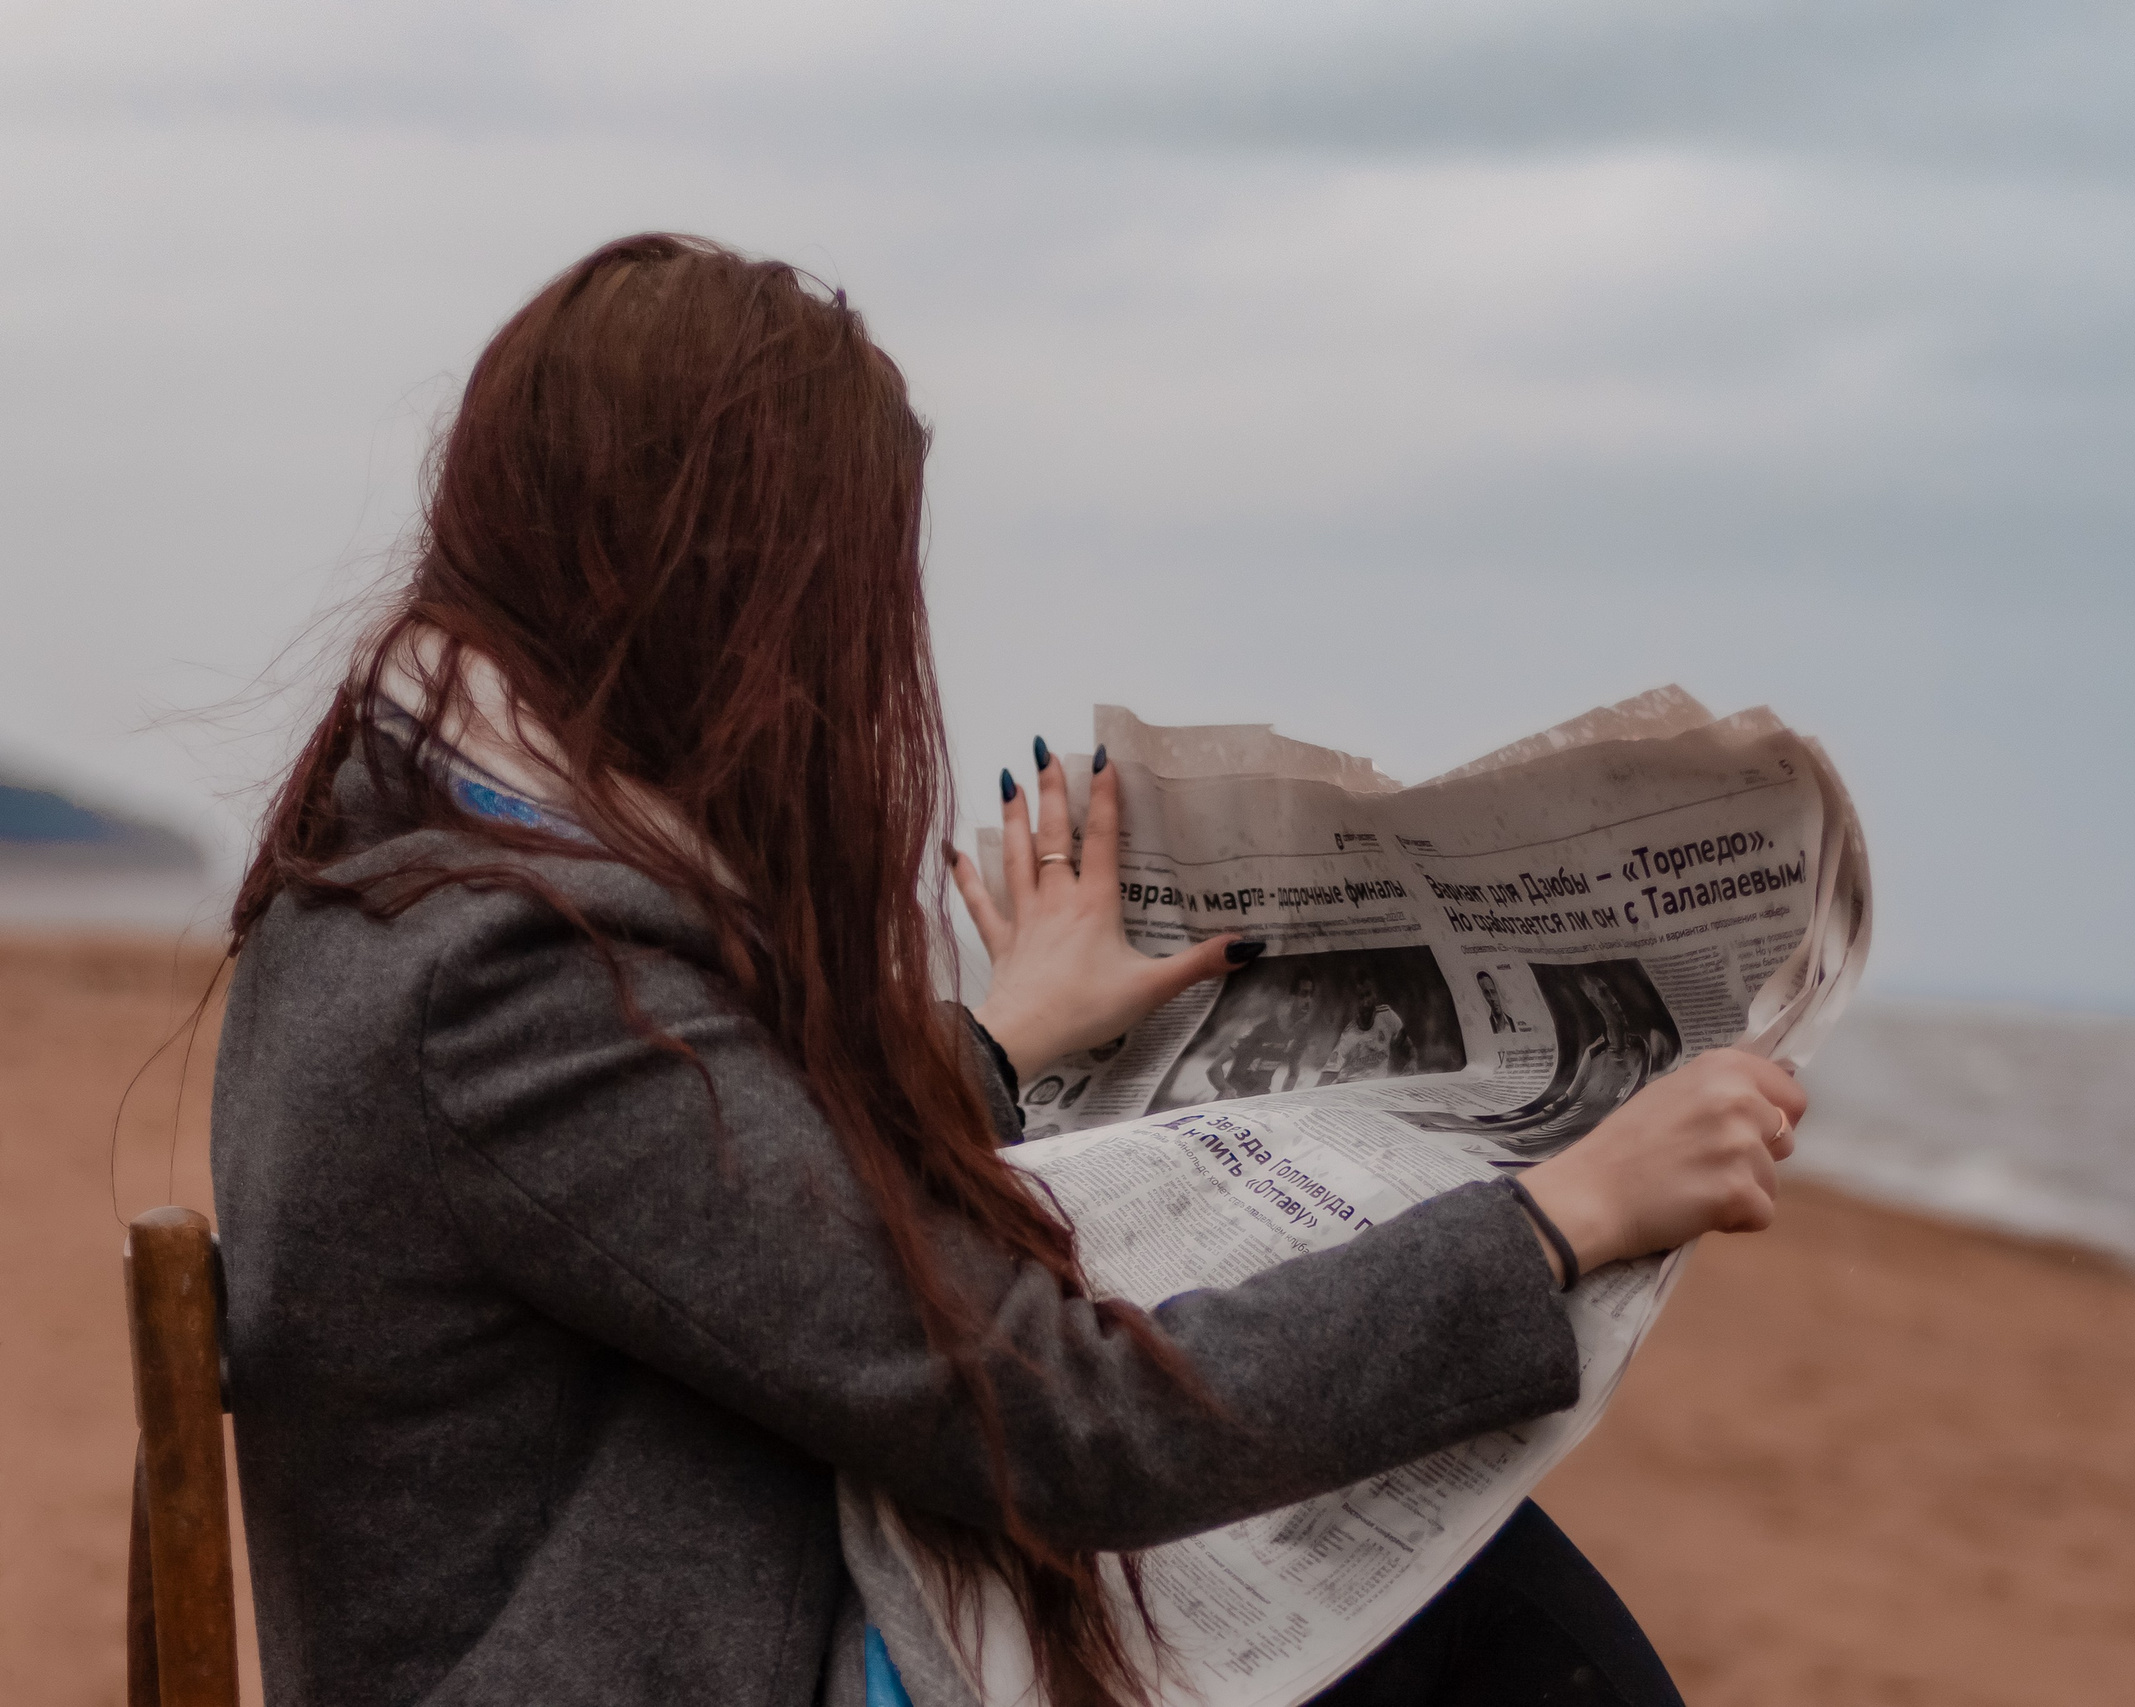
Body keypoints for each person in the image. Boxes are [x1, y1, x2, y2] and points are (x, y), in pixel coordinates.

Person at [212, 233, 1805, 1707]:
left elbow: (700, 1217)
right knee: (1472, 1623)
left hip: (695, 1604)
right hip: (681, 1646)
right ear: (724, 587)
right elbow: (1064, 1421)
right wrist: (1555, 1219)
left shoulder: (410, 873)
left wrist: (1000, 1035)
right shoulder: (507, 977)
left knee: (1462, 1601)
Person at [1204, 971, 1321, 1098]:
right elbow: (1214, 1068)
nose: (1309, 1001)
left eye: (1311, 995)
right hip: (1235, 1099)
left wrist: (1284, 1097)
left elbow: (1293, 1074)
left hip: (1261, 1099)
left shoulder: (1301, 1032)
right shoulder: (1260, 1029)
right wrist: (1228, 1090)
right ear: (1289, 998)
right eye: (1304, 994)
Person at [1315, 968, 1414, 1085]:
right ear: (1354, 1001)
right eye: (1361, 997)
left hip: (1376, 1088)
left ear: (1375, 994)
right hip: (1350, 1087)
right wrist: (1313, 1092)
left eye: (1368, 994)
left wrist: (1412, 1062)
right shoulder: (1348, 1035)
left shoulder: (1388, 1017)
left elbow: (1408, 1048)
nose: (1365, 1002)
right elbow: (1329, 1073)